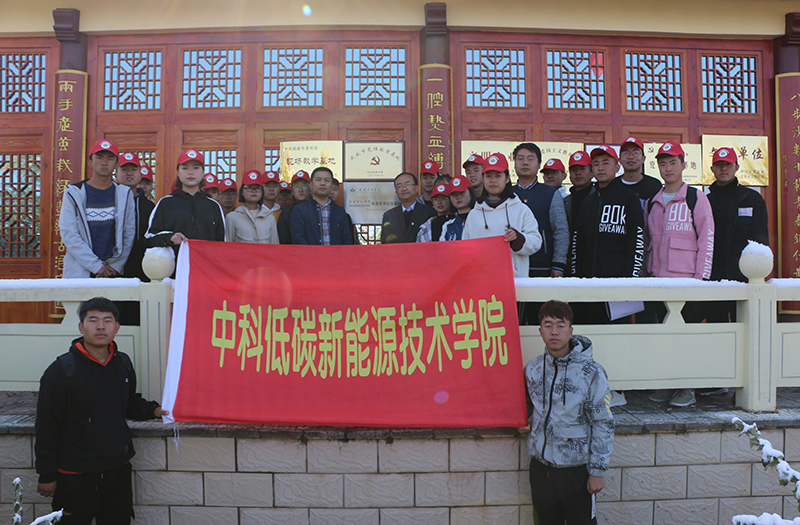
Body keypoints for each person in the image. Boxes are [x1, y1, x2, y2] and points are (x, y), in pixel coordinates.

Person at [35, 297, 168, 525]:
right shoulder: (61, 371)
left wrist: (153, 410)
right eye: (93, 320)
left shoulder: (122, 363)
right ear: (81, 327)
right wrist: (47, 475)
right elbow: (47, 425)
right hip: (75, 475)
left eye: (107, 321)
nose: (100, 327)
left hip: (117, 470)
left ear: (116, 327)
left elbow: (128, 403)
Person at [525, 300, 614, 525]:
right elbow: (525, 407)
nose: (554, 331)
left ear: (571, 330)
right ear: (540, 331)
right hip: (541, 468)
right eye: (548, 325)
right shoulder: (533, 369)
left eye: (560, 325)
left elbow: (603, 422)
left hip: (577, 471)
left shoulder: (592, 373)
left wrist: (598, 471)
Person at [644, 141, 715, 408]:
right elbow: (647, 241)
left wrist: (701, 279)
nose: (668, 168)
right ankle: (667, 382)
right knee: (663, 335)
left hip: (686, 282)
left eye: (673, 162)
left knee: (686, 336)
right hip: (657, 280)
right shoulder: (652, 202)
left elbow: (707, 238)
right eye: (663, 163)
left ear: (684, 165)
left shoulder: (696, 198)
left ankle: (687, 387)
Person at [706, 146, 770, 322]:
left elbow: (761, 240)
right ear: (712, 169)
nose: (723, 168)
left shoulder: (752, 199)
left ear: (737, 167)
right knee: (716, 328)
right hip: (713, 278)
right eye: (719, 165)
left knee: (745, 327)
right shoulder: (705, 201)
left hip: (743, 277)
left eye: (728, 164)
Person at [59, 139, 135, 279]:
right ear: (90, 162)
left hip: (112, 272)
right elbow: (69, 233)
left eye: (110, 158)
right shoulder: (73, 193)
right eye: (99, 158)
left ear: (117, 164)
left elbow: (128, 234)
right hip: (80, 271)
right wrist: (96, 266)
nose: (104, 162)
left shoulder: (125, 194)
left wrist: (115, 266)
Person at [462, 153, 542, 278]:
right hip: (481, 279)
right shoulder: (474, 214)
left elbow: (536, 242)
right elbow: (464, 250)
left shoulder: (521, 210)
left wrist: (518, 239)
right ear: (483, 178)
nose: (493, 180)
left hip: (513, 281)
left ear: (507, 179)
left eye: (498, 176)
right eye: (488, 176)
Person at [145, 149, 226, 260]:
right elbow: (149, 238)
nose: (190, 172)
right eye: (185, 168)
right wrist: (169, 238)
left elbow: (221, 243)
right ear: (178, 172)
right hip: (174, 268)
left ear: (203, 172)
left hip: (206, 267)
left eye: (196, 168)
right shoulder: (165, 203)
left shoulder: (213, 206)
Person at [512, 142, 569, 278]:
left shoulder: (550, 193)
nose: (525, 163)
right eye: (520, 159)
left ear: (539, 164)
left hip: (542, 266)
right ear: (514, 163)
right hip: (511, 265)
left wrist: (558, 265)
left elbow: (560, 231)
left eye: (530, 159)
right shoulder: (507, 193)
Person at [291, 167, 353, 245]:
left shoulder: (340, 211)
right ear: (311, 185)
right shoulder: (299, 210)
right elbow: (298, 238)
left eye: (327, 180)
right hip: (308, 253)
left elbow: (347, 239)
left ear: (331, 185)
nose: (322, 183)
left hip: (336, 253)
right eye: (318, 180)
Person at [117, 152, 155, 283]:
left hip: (143, 270)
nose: (129, 173)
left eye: (133, 169)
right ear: (116, 173)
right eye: (124, 169)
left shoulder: (149, 206)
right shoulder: (109, 201)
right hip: (113, 270)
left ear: (139, 174)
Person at [609, 136, 662, 210]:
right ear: (619, 160)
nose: (631, 157)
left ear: (643, 159)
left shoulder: (654, 185)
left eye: (636, 152)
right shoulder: (611, 185)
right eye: (626, 153)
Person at [225, 170, 279, 244]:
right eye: (249, 188)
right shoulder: (232, 217)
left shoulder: (269, 217)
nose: (254, 191)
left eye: (257, 188)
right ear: (242, 192)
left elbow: (275, 246)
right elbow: (228, 246)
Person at [381, 172, 436, 244]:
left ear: (416, 188)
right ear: (396, 192)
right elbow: (385, 243)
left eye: (408, 184)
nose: (404, 188)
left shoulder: (429, 212)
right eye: (399, 186)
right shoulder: (389, 216)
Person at [277, 170, 312, 244]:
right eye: (296, 186)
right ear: (292, 192)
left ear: (310, 188)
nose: (300, 190)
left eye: (304, 185)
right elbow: (283, 240)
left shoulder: (318, 208)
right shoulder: (285, 213)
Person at [440, 175, 475, 241]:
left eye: (461, 192)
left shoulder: (482, 220)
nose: (458, 197)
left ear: (470, 193)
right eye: (454, 194)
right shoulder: (447, 226)